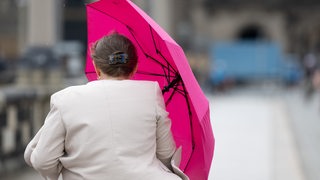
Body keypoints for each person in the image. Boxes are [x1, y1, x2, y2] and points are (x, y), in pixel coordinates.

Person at [24, 33, 188, 180]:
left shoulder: (66, 99)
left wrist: (61, 172)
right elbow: (166, 156)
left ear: (96, 67)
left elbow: (43, 160)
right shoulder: (151, 93)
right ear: (135, 68)